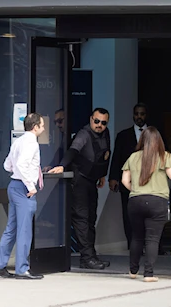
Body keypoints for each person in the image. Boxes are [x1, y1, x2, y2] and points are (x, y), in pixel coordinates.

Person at [49, 108, 112, 270]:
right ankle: (87, 257)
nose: (99, 125)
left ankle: (91, 256)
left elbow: (104, 156)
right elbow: (73, 150)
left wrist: (102, 175)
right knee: (82, 219)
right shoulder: (84, 134)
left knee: (91, 219)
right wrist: (62, 166)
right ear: (91, 119)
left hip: (92, 180)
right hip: (80, 181)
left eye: (103, 122)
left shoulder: (105, 134)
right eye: (96, 121)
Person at [121, 126, 171, 282]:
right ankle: (148, 274)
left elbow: (124, 181)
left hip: (135, 201)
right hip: (157, 201)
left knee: (137, 237)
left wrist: (136, 190)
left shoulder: (133, 157)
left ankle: (133, 271)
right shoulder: (164, 156)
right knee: (152, 239)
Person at [0, 113, 45, 280]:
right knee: (24, 230)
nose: (43, 128)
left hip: (13, 186)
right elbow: (21, 164)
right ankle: (22, 269)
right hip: (23, 188)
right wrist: (31, 186)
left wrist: (19, 174)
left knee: (12, 228)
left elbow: (8, 165)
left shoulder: (18, 141)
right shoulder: (31, 143)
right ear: (35, 127)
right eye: (42, 125)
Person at [109, 103, 148, 250]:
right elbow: (116, 157)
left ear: (146, 115)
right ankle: (132, 244)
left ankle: (146, 243)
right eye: (137, 114)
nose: (139, 117)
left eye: (142, 114)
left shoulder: (154, 133)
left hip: (148, 180)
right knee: (128, 213)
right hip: (128, 181)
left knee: (147, 213)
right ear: (133, 115)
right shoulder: (123, 135)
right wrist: (113, 177)